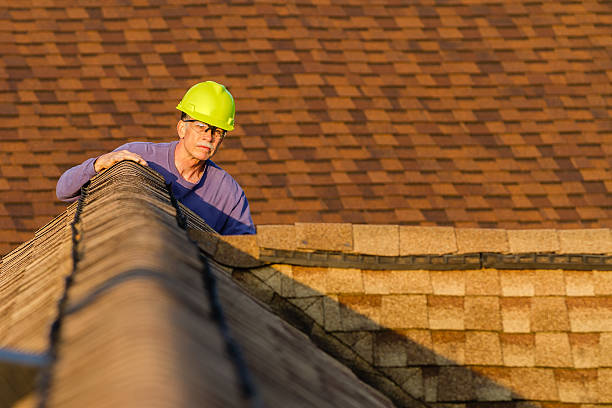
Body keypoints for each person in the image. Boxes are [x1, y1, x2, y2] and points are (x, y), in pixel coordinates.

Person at [56, 81, 256, 235]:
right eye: (202, 127)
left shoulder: (229, 194)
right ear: (181, 128)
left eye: (218, 131)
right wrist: (98, 164)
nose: (209, 137)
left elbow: (246, 252)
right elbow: (63, 190)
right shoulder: (138, 157)